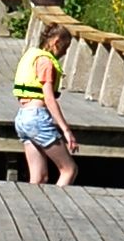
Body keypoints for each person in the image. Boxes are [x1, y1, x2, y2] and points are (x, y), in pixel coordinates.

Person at [14, 22, 80, 186]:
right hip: (37, 118)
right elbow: (49, 98)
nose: (65, 52)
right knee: (69, 169)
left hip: (22, 118)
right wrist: (66, 130)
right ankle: (58, 205)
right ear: (56, 42)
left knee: (38, 179)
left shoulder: (31, 55)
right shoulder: (46, 63)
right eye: (65, 47)